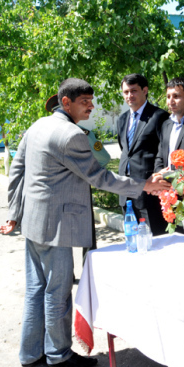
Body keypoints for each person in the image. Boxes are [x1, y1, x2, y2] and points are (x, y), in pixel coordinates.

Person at [0, 78, 170, 367]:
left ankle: (30, 354)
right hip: (58, 225)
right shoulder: (71, 136)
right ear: (66, 102)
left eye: (92, 101)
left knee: (36, 289)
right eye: (85, 102)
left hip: (34, 221)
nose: (91, 107)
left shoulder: (37, 125)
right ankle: (58, 354)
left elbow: (18, 169)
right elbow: (100, 177)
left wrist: (16, 212)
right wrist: (145, 185)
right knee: (57, 291)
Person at [44, 93, 111, 264]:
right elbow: (103, 158)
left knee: (60, 235)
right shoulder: (83, 134)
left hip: (54, 192)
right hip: (80, 190)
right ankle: (88, 270)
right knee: (86, 233)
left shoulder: (44, 132)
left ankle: (67, 274)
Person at [117, 73, 170, 235]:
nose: (129, 96)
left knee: (155, 239)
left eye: (133, 91)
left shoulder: (159, 116)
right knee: (132, 239)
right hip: (125, 191)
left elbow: (164, 151)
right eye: (126, 92)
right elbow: (126, 151)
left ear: (145, 90)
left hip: (149, 191)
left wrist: (156, 178)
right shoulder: (122, 119)